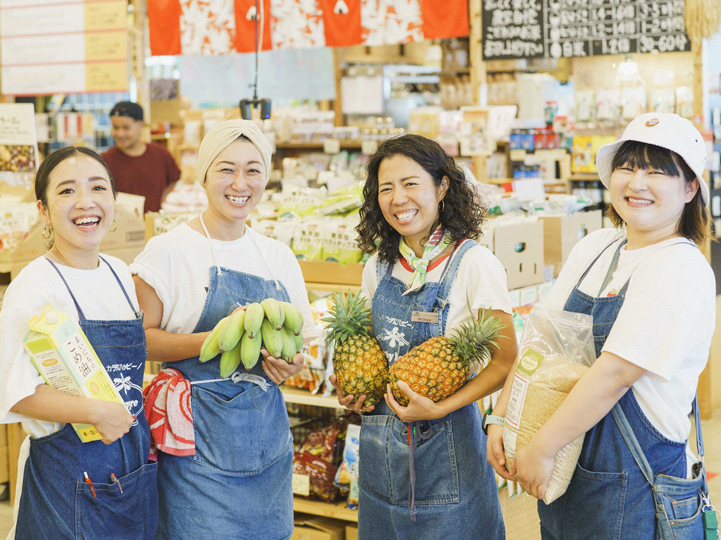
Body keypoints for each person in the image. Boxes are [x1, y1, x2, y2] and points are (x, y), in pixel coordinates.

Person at [487, 112, 715, 539]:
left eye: (656, 171)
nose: (636, 183)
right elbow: (541, 338)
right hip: (569, 468)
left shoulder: (679, 266)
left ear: (689, 188)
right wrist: (501, 418)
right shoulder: (597, 246)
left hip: (634, 484)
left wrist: (542, 446)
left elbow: (614, 376)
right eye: (627, 167)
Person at [131, 119, 317, 540]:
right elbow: (139, 340)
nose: (240, 183)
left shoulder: (277, 256)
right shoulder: (169, 250)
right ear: (205, 175)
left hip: (267, 444)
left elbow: (300, 345)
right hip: (194, 447)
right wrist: (217, 339)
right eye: (226, 169)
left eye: (253, 169)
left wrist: (290, 365)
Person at [331, 134, 518, 539]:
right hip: (379, 458)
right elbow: (365, 348)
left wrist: (440, 407)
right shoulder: (377, 267)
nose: (398, 198)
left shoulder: (473, 264)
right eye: (386, 188)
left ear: (442, 186)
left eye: (411, 183)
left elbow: (505, 361)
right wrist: (349, 388)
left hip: (447, 457)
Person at [0, 146, 158, 539]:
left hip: (131, 468)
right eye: (67, 191)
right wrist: (95, 412)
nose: (85, 202)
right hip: (67, 475)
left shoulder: (120, 272)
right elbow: (11, 393)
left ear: (114, 201)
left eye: (98, 188)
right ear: (43, 210)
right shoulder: (34, 286)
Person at [101, 101, 180, 213]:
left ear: (141, 125)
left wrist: (162, 200)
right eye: (115, 127)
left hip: (156, 224)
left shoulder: (161, 154)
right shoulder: (104, 161)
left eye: (126, 128)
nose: (120, 134)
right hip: (120, 227)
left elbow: (174, 179)